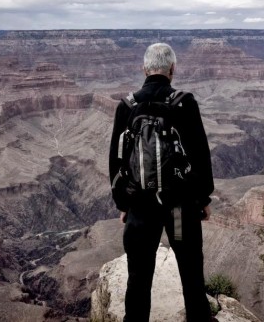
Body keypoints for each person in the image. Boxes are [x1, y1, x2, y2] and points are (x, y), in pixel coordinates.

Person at [108, 42, 215, 322]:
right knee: (191, 270)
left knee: (139, 276)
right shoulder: (184, 103)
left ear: (144, 69)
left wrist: (123, 203)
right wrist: (203, 199)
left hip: (140, 208)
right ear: (172, 69)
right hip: (179, 207)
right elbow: (200, 154)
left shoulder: (127, 106)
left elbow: (116, 161)